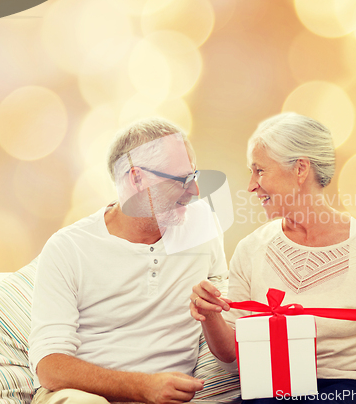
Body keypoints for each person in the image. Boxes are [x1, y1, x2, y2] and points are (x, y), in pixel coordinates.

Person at [190, 112, 356, 403]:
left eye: (260, 171)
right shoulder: (251, 250)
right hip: (274, 392)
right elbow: (233, 358)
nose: (250, 185)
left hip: (350, 393)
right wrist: (209, 315)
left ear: (300, 169)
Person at [29, 117, 228, 404]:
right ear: (137, 178)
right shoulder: (68, 248)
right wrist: (142, 387)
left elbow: (227, 345)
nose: (195, 191)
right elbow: (50, 367)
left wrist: (210, 312)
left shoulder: (202, 226)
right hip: (83, 396)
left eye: (195, 176)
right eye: (182, 179)